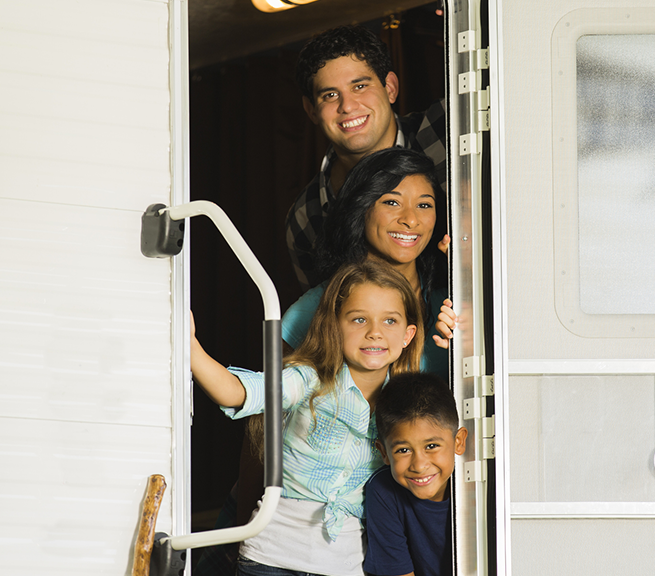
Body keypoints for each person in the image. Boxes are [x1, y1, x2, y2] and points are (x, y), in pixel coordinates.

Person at [190, 261, 425, 576]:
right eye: (358, 319)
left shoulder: (405, 403)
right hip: (271, 558)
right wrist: (190, 347)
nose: (375, 333)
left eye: (390, 321)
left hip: (346, 565)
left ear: (408, 334)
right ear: (334, 326)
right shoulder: (309, 379)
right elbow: (238, 392)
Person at [287, 24, 447, 292]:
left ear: (390, 88)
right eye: (330, 95)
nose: (347, 106)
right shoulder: (306, 218)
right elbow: (325, 322)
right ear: (311, 110)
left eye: (360, 86)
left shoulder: (447, 130)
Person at [283, 147, 456, 377]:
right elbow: (278, 404)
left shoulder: (452, 303)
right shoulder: (311, 309)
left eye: (424, 205)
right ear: (361, 209)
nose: (411, 220)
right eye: (392, 202)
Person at [364, 371, 467, 576]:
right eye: (403, 450)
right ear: (384, 452)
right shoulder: (383, 491)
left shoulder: (477, 482)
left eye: (431, 446)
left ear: (458, 442)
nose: (419, 466)